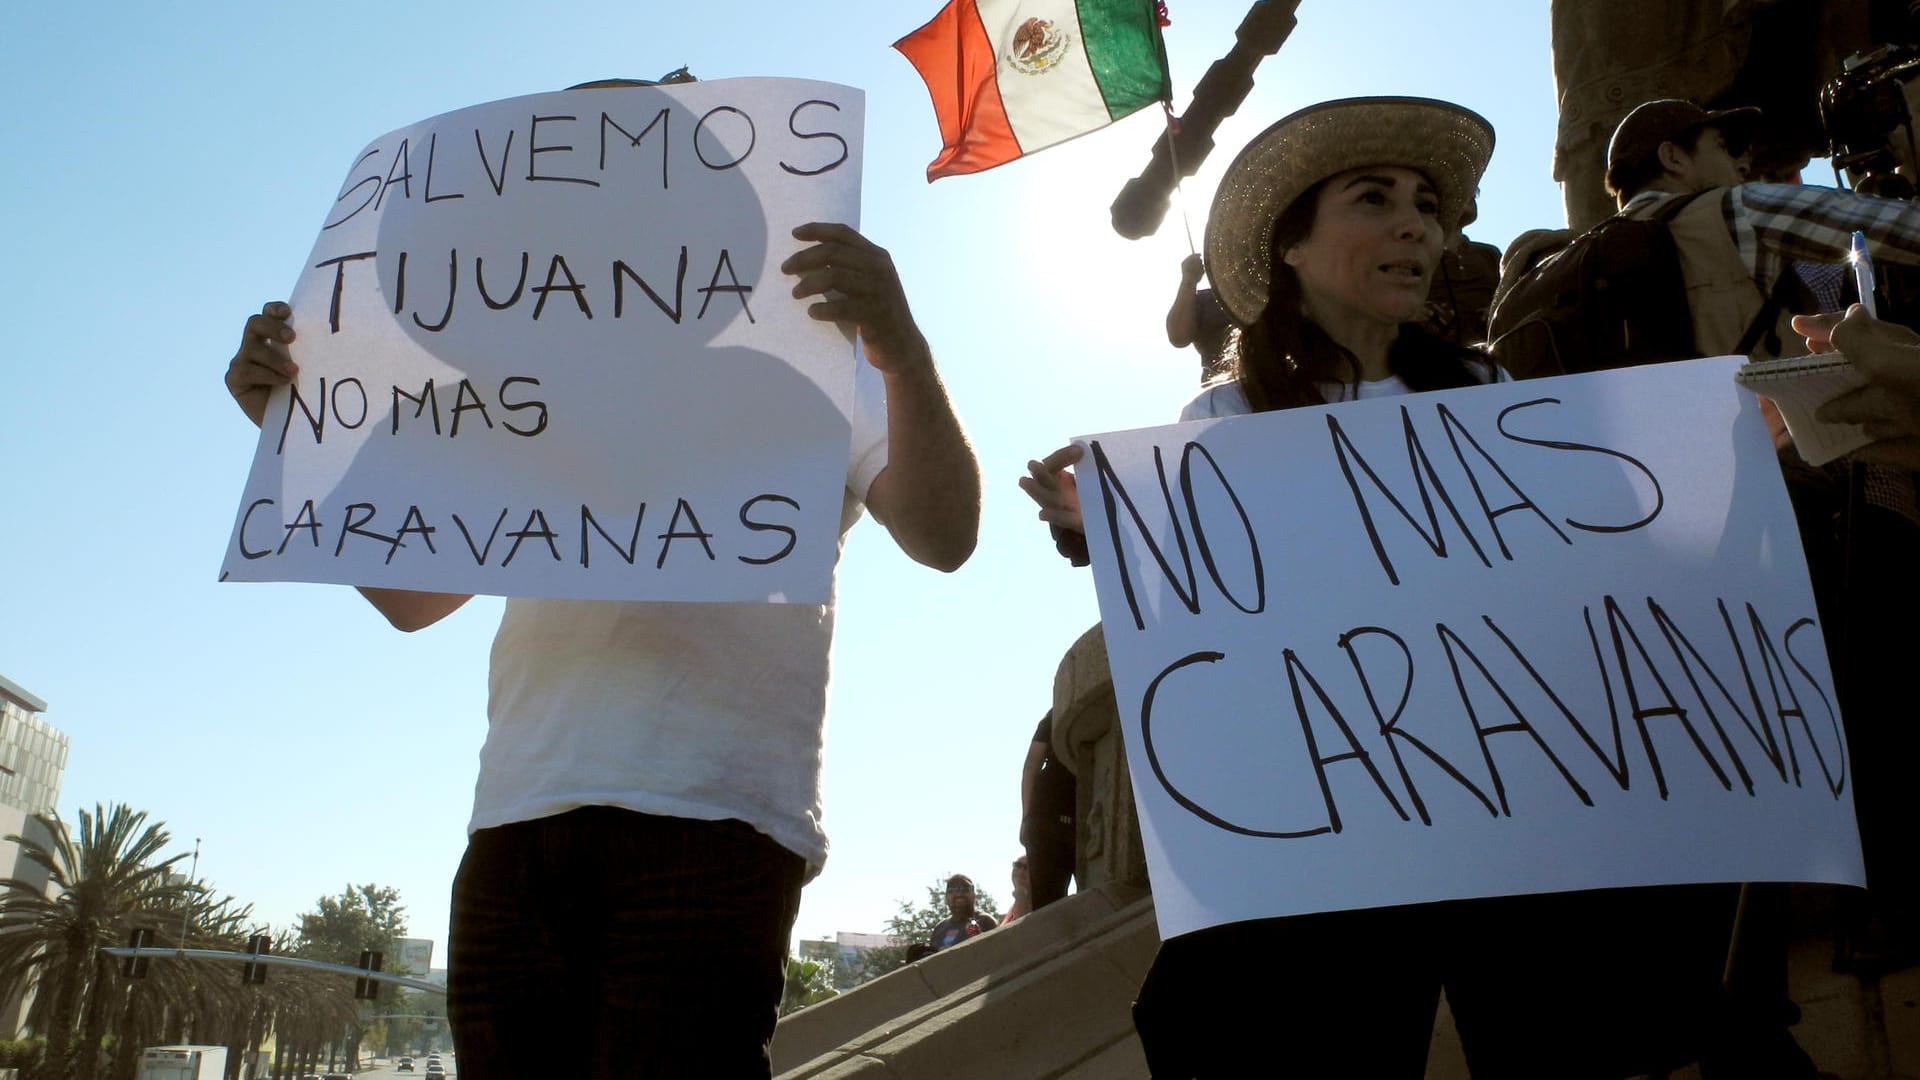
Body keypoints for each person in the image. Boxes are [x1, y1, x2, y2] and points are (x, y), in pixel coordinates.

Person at [224, 211, 982, 1075]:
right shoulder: (524, 388)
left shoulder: (816, 353)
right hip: (516, 825)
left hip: (712, 819)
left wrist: (902, 349)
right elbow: (414, 598)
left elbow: (942, 532)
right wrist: (291, 431)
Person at [1022, 95, 1500, 1077]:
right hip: (1315, 827)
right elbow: (1206, 609)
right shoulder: (1226, 413)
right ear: (1291, 245)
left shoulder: (1494, 398)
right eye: (1375, 198)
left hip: (1476, 809)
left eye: (1427, 204)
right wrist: (1103, 529)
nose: (1416, 224)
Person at [1019, 711, 1076, 911]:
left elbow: (1031, 764)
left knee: (1047, 905)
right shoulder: (1057, 712)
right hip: (1052, 816)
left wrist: (1026, 817)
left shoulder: (1057, 712)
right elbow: (1032, 765)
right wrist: (1027, 818)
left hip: (1051, 815)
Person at [1164, 253, 1235, 382]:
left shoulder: (1275, 289)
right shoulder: (1204, 300)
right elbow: (1178, 336)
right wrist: (1189, 281)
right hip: (1225, 388)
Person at [926, 875, 998, 952]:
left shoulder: (986, 921)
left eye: (965, 889)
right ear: (946, 898)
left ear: (974, 896)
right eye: (952, 890)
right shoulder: (939, 929)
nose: (959, 894)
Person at [999, 855, 1034, 924]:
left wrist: (1021, 896)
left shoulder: (1041, 903)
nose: (1021, 871)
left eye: (1027, 867)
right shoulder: (1012, 908)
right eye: (1018, 865)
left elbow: (1023, 929)